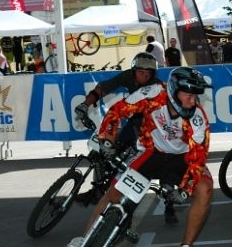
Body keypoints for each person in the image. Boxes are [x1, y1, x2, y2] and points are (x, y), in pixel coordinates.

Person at [67, 67, 213, 247]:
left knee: (205, 189)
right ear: (173, 91)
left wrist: (184, 190)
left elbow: (198, 157)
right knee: (116, 190)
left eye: (195, 96)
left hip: (183, 158)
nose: (193, 101)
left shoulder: (198, 118)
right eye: (189, 95)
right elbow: (117, 110)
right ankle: (85, 239)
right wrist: (107, 140)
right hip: (151, 152)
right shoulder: (152, 95)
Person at [74, 52, 180, 225]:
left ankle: (169, 204)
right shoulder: (127, 77)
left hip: (154, 129)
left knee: (162, 158)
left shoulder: (155, 86)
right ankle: (98, 189)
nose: (144, 76)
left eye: (148, 74)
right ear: (133, 71)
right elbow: (102, 88)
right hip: (133, 124)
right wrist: (85, 104)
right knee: (106, 149)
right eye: (140, 72)